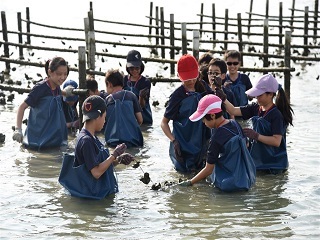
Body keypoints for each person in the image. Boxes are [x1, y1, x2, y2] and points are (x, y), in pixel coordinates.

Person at [59, 95, 134, 200]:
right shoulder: (86, 140)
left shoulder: (91, 136)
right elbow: (96, 172)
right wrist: (114, 155)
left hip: (96, 194)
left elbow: (99, 164)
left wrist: (118, 160)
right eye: (104, 116)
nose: (105, 121)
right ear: (98, 116)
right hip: (92, 197)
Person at [217, 74, 294, 174]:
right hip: (258, 162)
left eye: (260, 95)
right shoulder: (255, 107)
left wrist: (256, 135)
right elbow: (233, 110)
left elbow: (276, 141)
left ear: (270, 94)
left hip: (275, 164)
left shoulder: (276, 115)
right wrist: (222, 97)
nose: (257, 97)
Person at [179, 94, 256, 191]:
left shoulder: (216, 138)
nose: (203, 122)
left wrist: (190, 182)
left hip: (228, 185)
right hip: (247, 178)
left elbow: (208, 169)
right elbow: (246, 144)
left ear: (212, 115)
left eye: (203, 118)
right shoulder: (235, 124)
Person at [160, 54, 212, 173]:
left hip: (202, 139)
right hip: (182, 143)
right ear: (179, 76)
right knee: (185, 173)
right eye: (187, 79)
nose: (191, 81)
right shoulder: (177, 95)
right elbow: (164, 123)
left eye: (193, 77)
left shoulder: (204, 88)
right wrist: (174, 141)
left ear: (198, 73)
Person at [12, 57, 74, 150]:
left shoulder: (57, 86)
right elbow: (22, 107)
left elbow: (59, 92)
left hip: (55, 140)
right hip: (37, 141)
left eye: (65, 74)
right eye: (59, 74)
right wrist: (18, 129)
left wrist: (66, 92)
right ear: (50, 72)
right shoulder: (40, 88)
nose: (63, 77)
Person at [104, 69, 143, 148]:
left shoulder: (108, 100)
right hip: (132, 141)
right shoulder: (131, 96)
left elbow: (104, 122)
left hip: (113, 143)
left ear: (109, 84)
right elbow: (140, 120)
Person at [123, 50, 153, 125]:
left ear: (141, 67)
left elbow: (143, 105)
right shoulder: (123, 80)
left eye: (137, 68)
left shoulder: (145, 82)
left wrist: (141, 97)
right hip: (128, 119)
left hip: (144, 119)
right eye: (131, 68)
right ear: (127, 68)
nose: (134, 71)